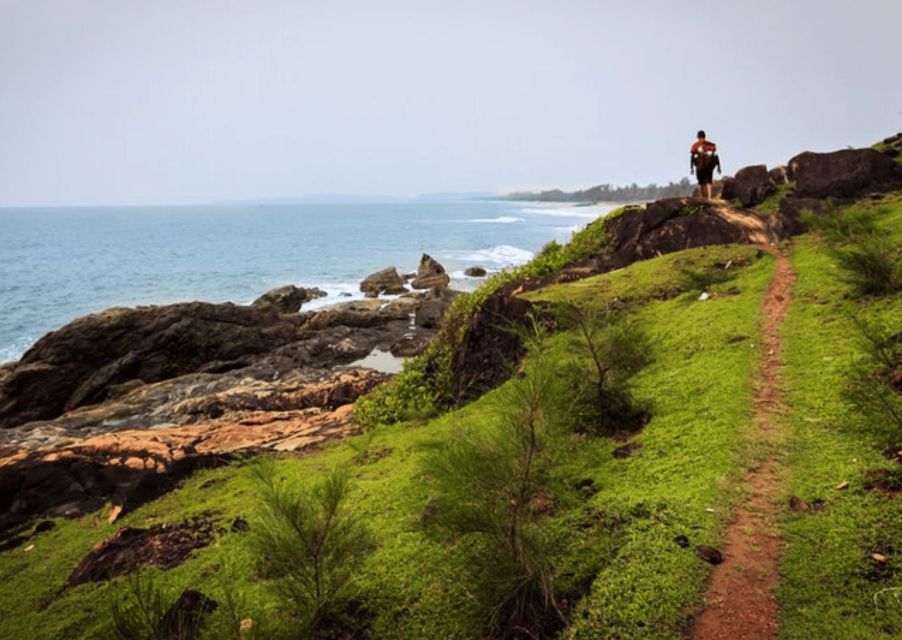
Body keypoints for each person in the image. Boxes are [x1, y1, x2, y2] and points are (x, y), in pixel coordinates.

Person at [690, 130, 721, 199]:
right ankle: (707, 198)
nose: (701, 139)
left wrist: (691, 168)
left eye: (701, 137)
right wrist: (719, 167)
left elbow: (692, 156)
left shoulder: (696, 145)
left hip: (702, 167)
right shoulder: (708, 145)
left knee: (704, 182)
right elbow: (715, 155)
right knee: (705, 182)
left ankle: (706, 198)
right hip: (705, 166)